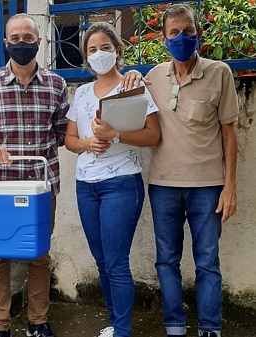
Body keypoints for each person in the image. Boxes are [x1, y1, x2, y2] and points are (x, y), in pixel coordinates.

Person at [123, 4, 238, 337]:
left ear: (198, 32)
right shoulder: (155, 76)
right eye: (174, 32)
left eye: (188, 30)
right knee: (166, 262)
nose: (182, 37)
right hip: (163, 186)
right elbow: (126, 101)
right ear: (163, 39)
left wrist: (230, 186)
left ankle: (209, 329)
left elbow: (230, 134)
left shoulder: (220, 73)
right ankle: (174, 326)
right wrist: (129, 73)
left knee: (207, 264)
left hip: (208, 187)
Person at [0, 13, 70, 337]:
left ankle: (37, 322)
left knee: (39, 255)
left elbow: (62, 133)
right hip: (0, 188)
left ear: (39, 43)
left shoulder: (57, 85)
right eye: (16, 38)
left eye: (28, 38)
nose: (22, 43)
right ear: (6, 43)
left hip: (42, 188)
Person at [64, 22, 160, 337]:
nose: (99, 54)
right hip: (85, 185)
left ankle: (122, 330)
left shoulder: (133, 86)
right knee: (102, 260)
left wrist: (115, 135)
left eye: (105, 47)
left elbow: (153, 135)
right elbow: (70, 140)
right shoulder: (80, 94)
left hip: (121, 183)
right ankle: (114, 321)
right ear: (86, 58)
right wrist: (88, 143)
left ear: (117, 50)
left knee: (117, 262)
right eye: (92, 50)